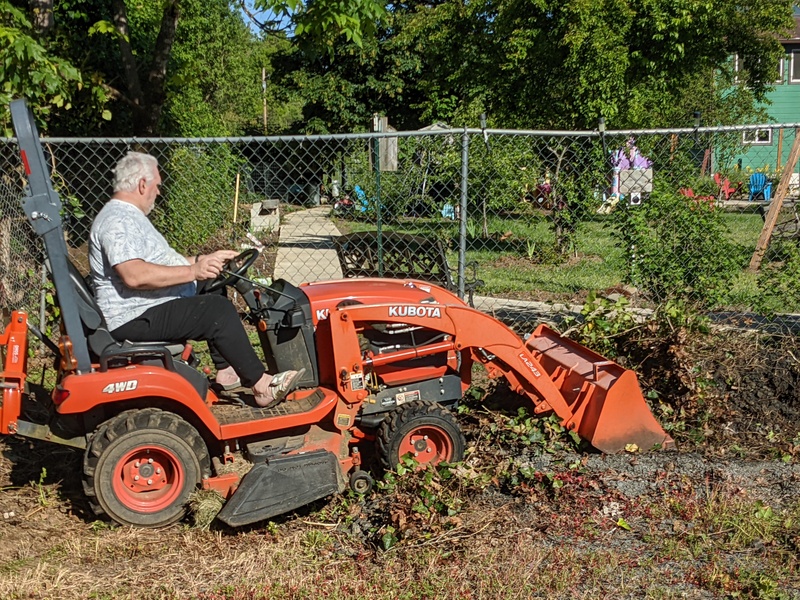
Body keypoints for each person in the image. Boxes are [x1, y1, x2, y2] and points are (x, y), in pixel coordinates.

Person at [88, 151, 303, 408]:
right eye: (157, 186)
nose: (158, 192)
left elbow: (158, 265)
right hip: (132, 317)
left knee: (209, 286)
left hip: (140, 307)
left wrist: (204, 261)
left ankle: (225, 372)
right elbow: (134, 275)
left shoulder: (128, 216)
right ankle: (261, 385)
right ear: (142, 184)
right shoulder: (118, 220)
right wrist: (192, 272)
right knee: (217, 311)